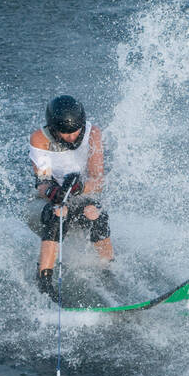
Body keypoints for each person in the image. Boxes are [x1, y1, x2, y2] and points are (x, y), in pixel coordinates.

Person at [29, 95, 113, 299]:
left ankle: (108, 268)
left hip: (81, 193)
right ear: (53, 128)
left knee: (94, 213)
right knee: (58, 212)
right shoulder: (39, 139)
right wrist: (52, 192)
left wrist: (81, 186)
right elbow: (42, 182)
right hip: (47, 200)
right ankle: (44, 280)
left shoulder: (93, 133)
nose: (71, 138)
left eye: (74, 132)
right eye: (64, 133)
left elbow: (98, 181)